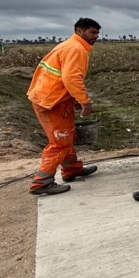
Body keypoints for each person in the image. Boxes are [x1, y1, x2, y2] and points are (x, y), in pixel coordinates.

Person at [26, 18, 101, 195]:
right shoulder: (76, 49)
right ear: (79, 31)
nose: (95, 36)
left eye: (97, 33)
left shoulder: (68, 45)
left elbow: (62, 77)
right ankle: (41, 183)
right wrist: (84, 101)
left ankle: (72, 169)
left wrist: (72, 99)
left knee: (67, 136)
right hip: (52, 102)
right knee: (60, 141)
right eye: (92, 32)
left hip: (50, 98)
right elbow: (71, 78)